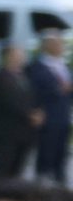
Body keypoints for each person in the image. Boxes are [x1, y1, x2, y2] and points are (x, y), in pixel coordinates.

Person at [28, 30, 71, 183]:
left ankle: (60, 179)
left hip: (63, 115)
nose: (61, 47)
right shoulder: (37, 67)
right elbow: (34, 91)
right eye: (57, 44)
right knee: (46, 149)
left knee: (61, 150)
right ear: (47, 45)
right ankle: (43, 179)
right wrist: (58, 90)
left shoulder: (63, 65)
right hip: (46, 115)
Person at [0, 44, 35, 182]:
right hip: (8, 128)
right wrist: (28, 113)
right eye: (17, 55)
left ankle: (13, 189)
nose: (21, 58)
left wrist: (36, 112)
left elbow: (31, 98)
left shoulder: (24, 76)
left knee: (18, 165)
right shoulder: (0, 77)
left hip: (24, 128)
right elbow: (8, 100)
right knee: (4, 162)